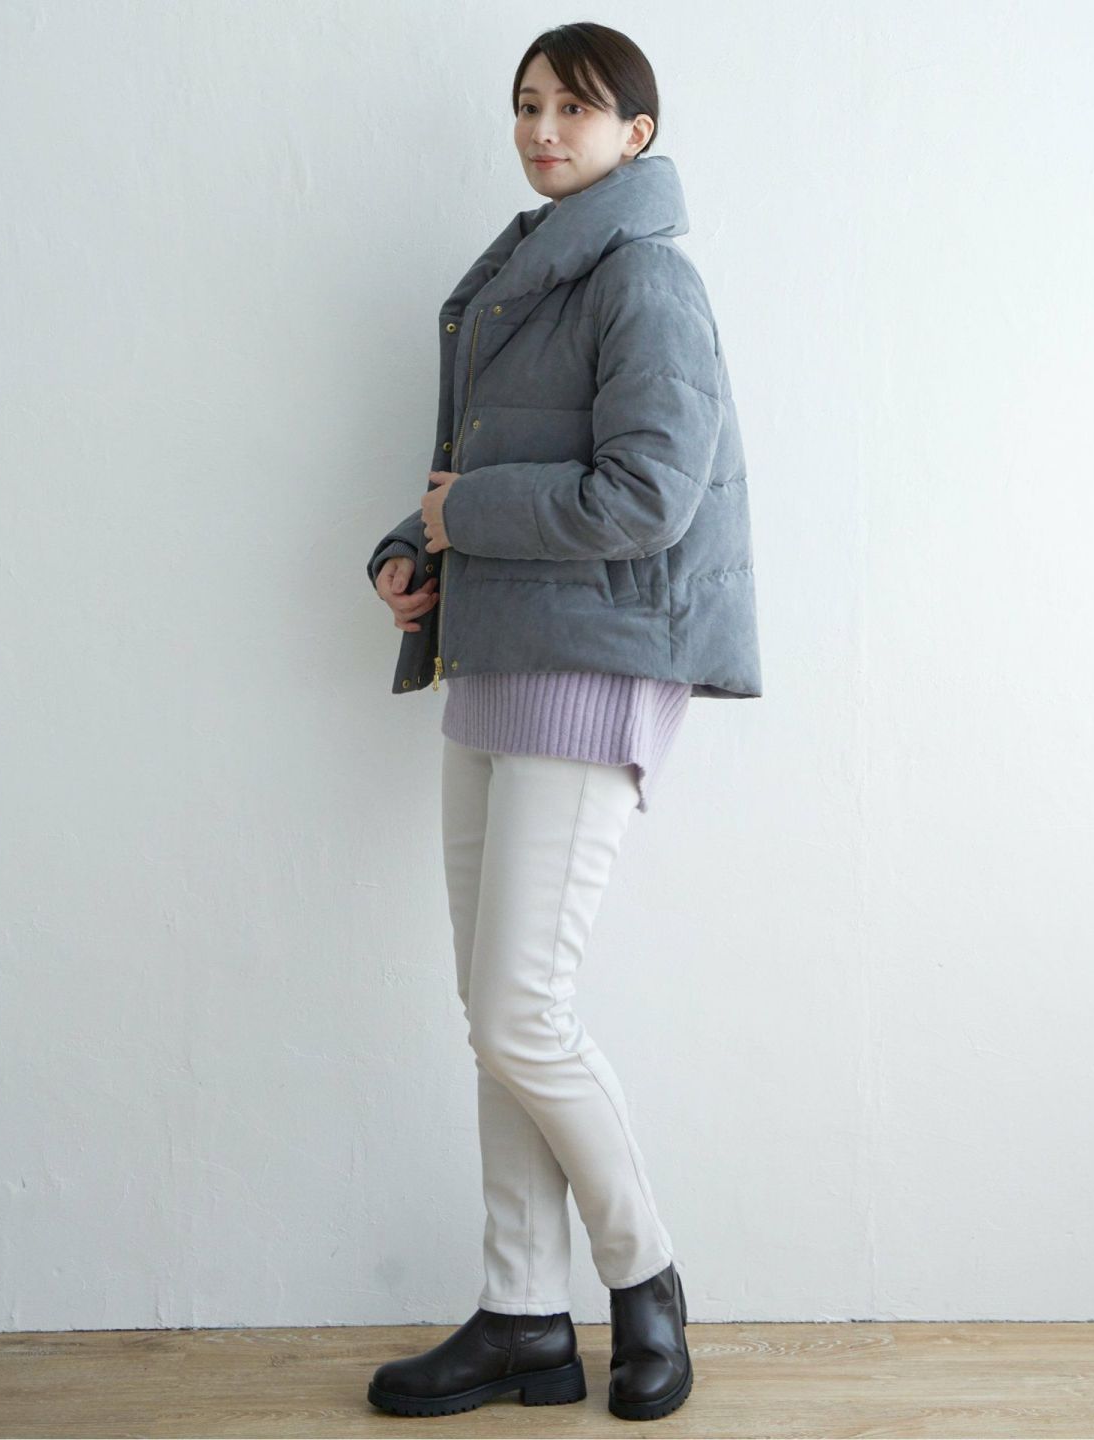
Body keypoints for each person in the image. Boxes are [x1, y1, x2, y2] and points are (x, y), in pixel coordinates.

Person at [365, 22, 762, 1422]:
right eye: (527, 104)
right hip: (495, 656)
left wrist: (462, 516)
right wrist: (413, 553)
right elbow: (477, 477)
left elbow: (646, 495)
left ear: (634, 134)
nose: (542, 129)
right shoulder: (526, 276)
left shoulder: (643, 277)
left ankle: (645, 1275)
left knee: (521, 1011)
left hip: (593, 661)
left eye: (575, 109)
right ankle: (523, 1318)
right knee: (496, 1018)